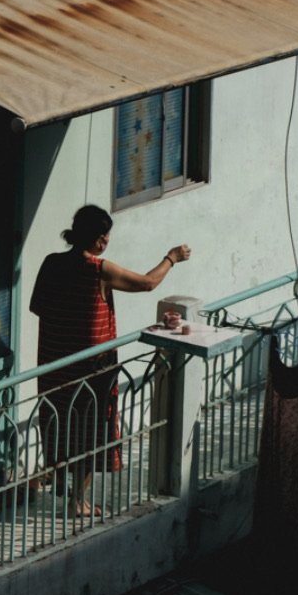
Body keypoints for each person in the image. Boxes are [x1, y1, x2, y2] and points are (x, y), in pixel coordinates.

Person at [30, 205, 190, 516]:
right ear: (99, 239)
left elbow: (37, 306)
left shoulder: (51, 263)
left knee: (59, 422)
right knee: (92, 430)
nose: (107, 241)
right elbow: (146, 283)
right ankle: (78, 501)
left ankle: (62, 478)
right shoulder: (99, 270)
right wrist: (171, 258)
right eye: (105, 236)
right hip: (91, 368)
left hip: (55, 362)